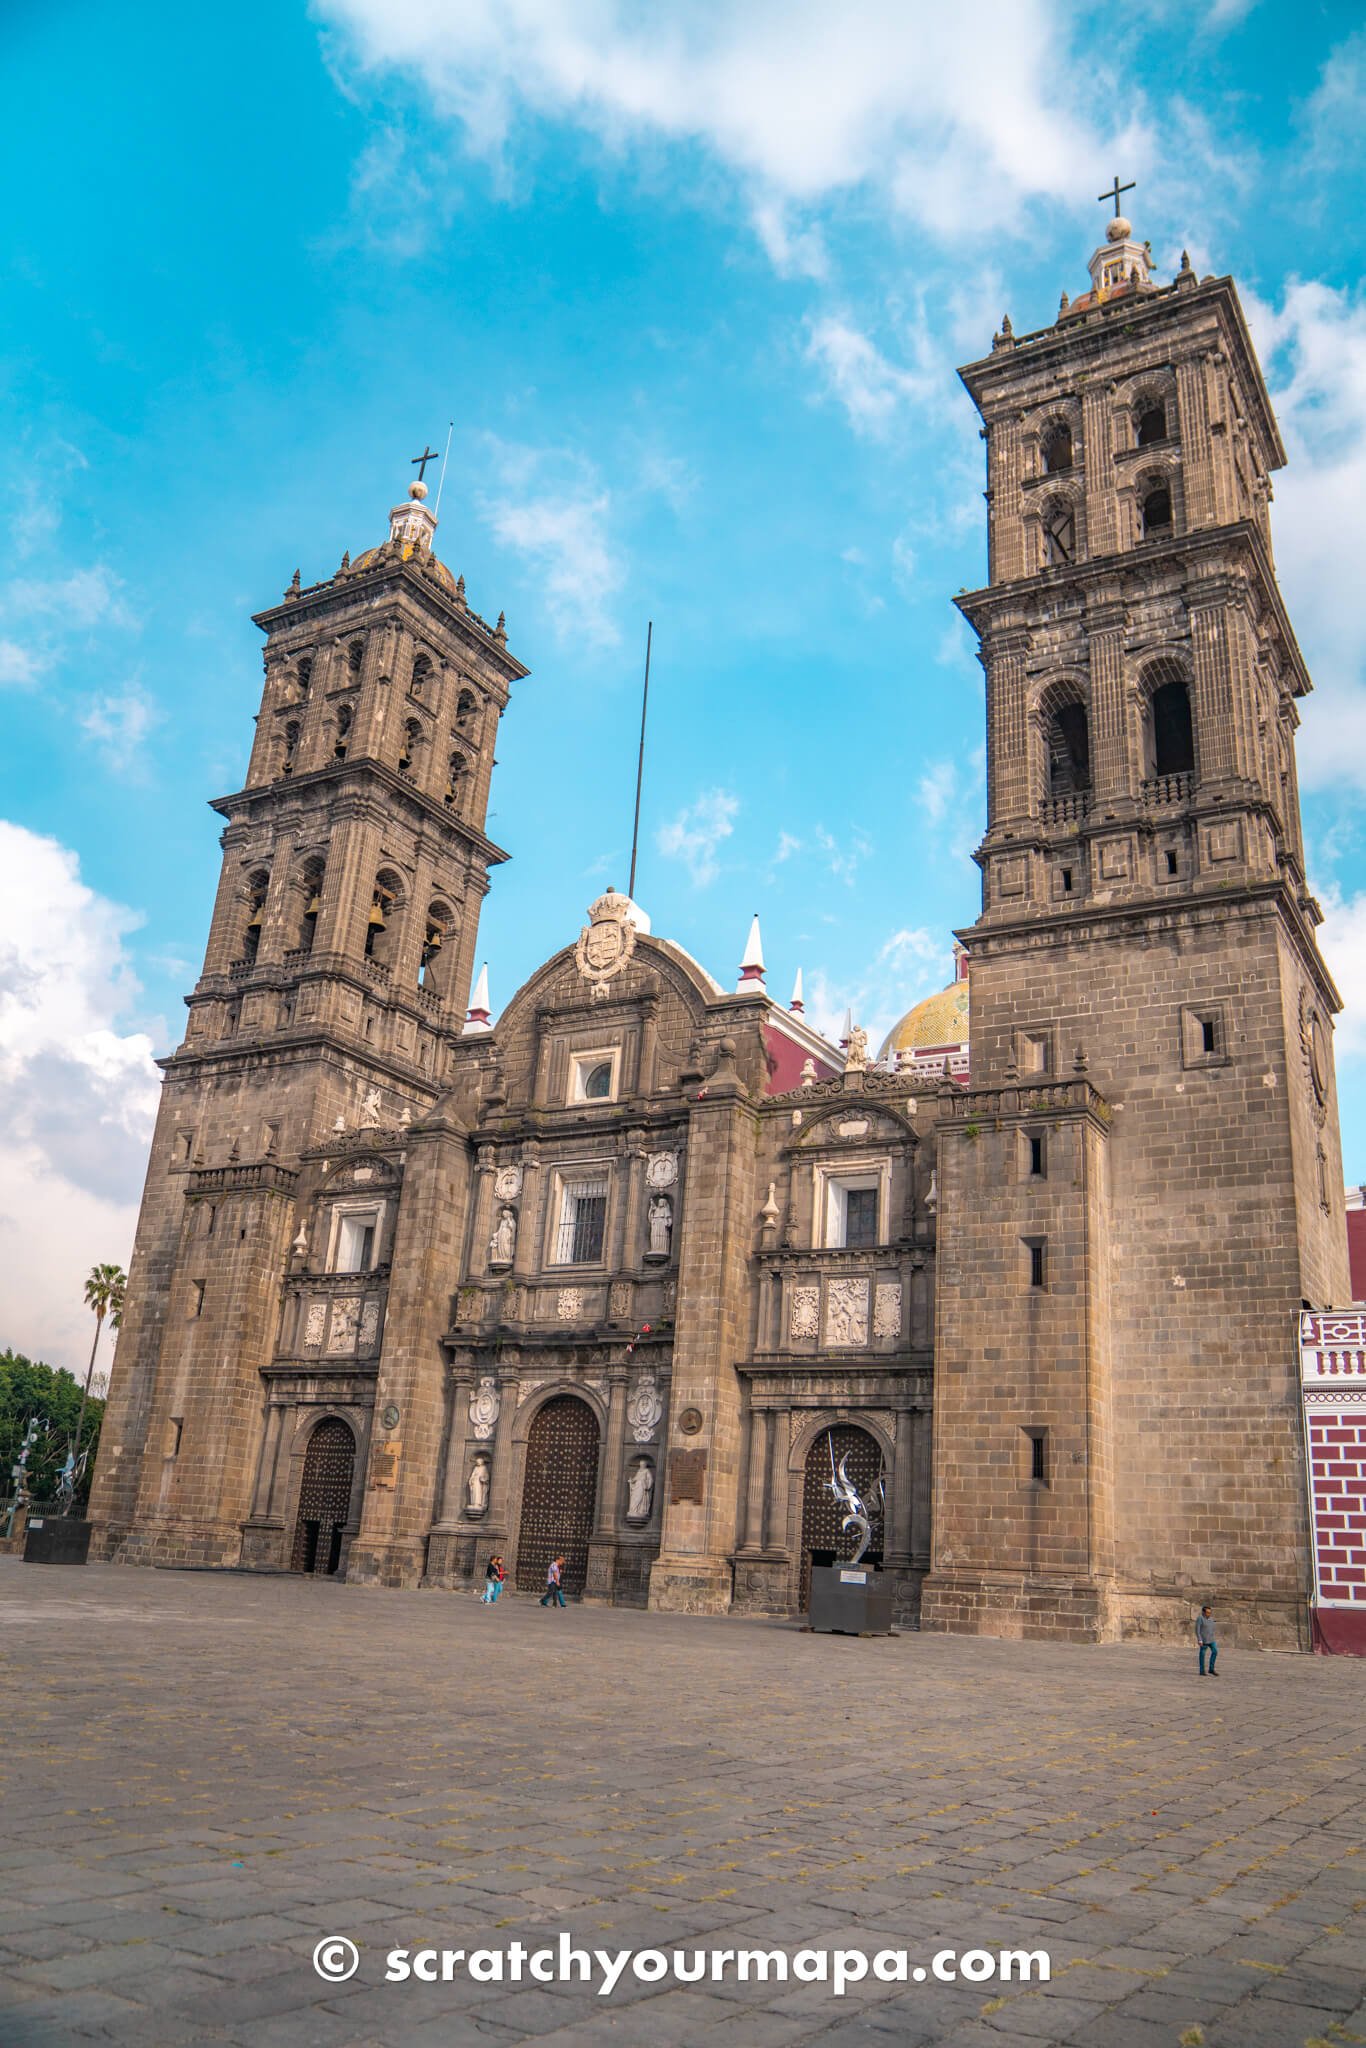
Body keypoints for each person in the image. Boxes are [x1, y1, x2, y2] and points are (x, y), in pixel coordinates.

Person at [1195, 1604, 1218, 1677]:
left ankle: (1211, 1669)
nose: (1209, 1614)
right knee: (1202, 1655)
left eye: (1210, 1612)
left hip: (1211, 1640)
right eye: (1207, 1612)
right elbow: (1197, 1630)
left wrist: (1213, 1636)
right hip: (1203, 1640)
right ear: (1203, 1612)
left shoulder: (1211, 1619)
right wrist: (1199, 1640)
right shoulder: (1200, 1618)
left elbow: (1212, 1628)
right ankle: (1202, 1671)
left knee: (1215, 1651)